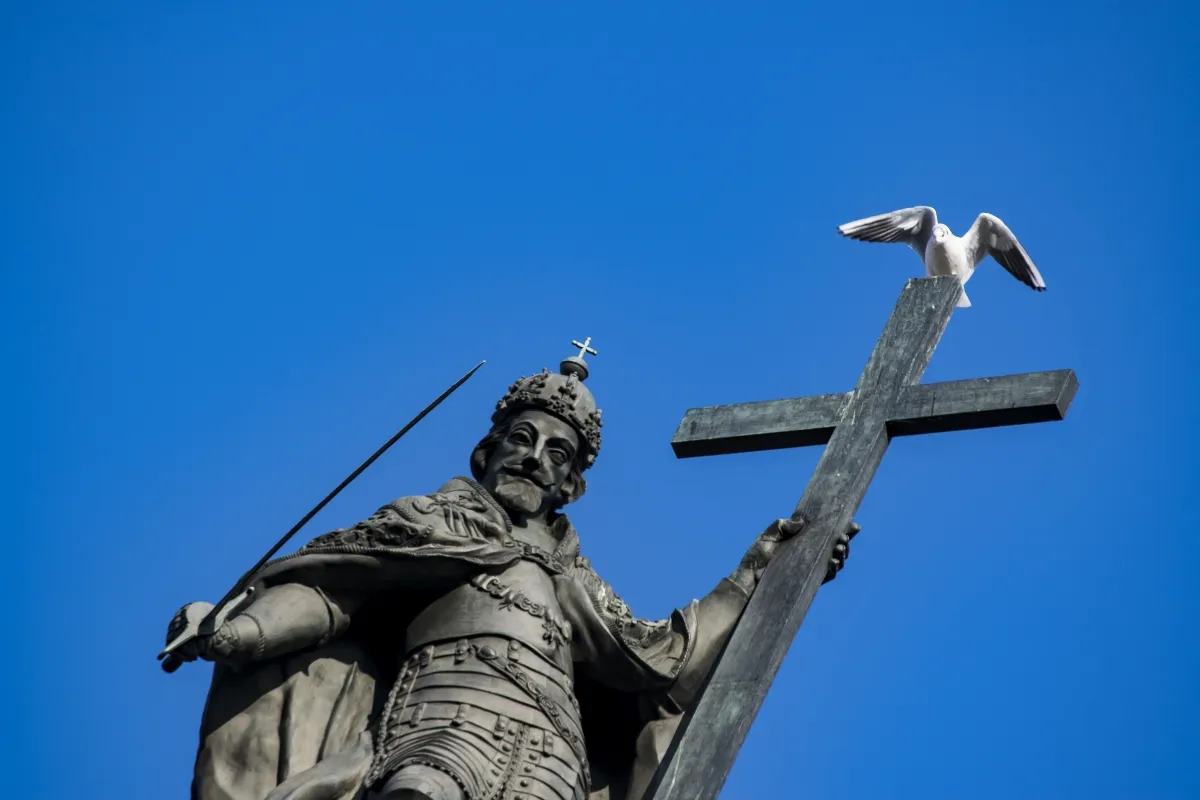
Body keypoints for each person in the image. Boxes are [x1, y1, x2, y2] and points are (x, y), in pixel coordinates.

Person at [166, 345, 857, 800]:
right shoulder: (426, 523)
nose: (534, 457)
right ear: (486, 453)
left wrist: (756, 575)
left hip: (554, 761)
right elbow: (329, 593)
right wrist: (236, 633)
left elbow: (663, 664)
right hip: (440, 728)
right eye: (520, 441)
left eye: (557, 452)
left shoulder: (578, 585)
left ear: (571, 486)